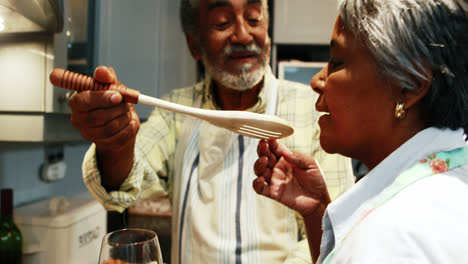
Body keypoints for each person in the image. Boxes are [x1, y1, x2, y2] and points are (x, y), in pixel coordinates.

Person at [69, 0, 355, 263]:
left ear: (267, 32)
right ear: (194, 44)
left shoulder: (316, 110)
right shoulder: (175, 111)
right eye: (222, 22)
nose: (243, 35)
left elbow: (339, 227)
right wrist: (116, 144)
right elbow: (120, 190)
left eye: (254, 19)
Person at [253, 0, 468, 263]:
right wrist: (317, 210)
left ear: (409, 86)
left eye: (337, 62)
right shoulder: (449, 183)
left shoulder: (390, 238)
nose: (317, 81)